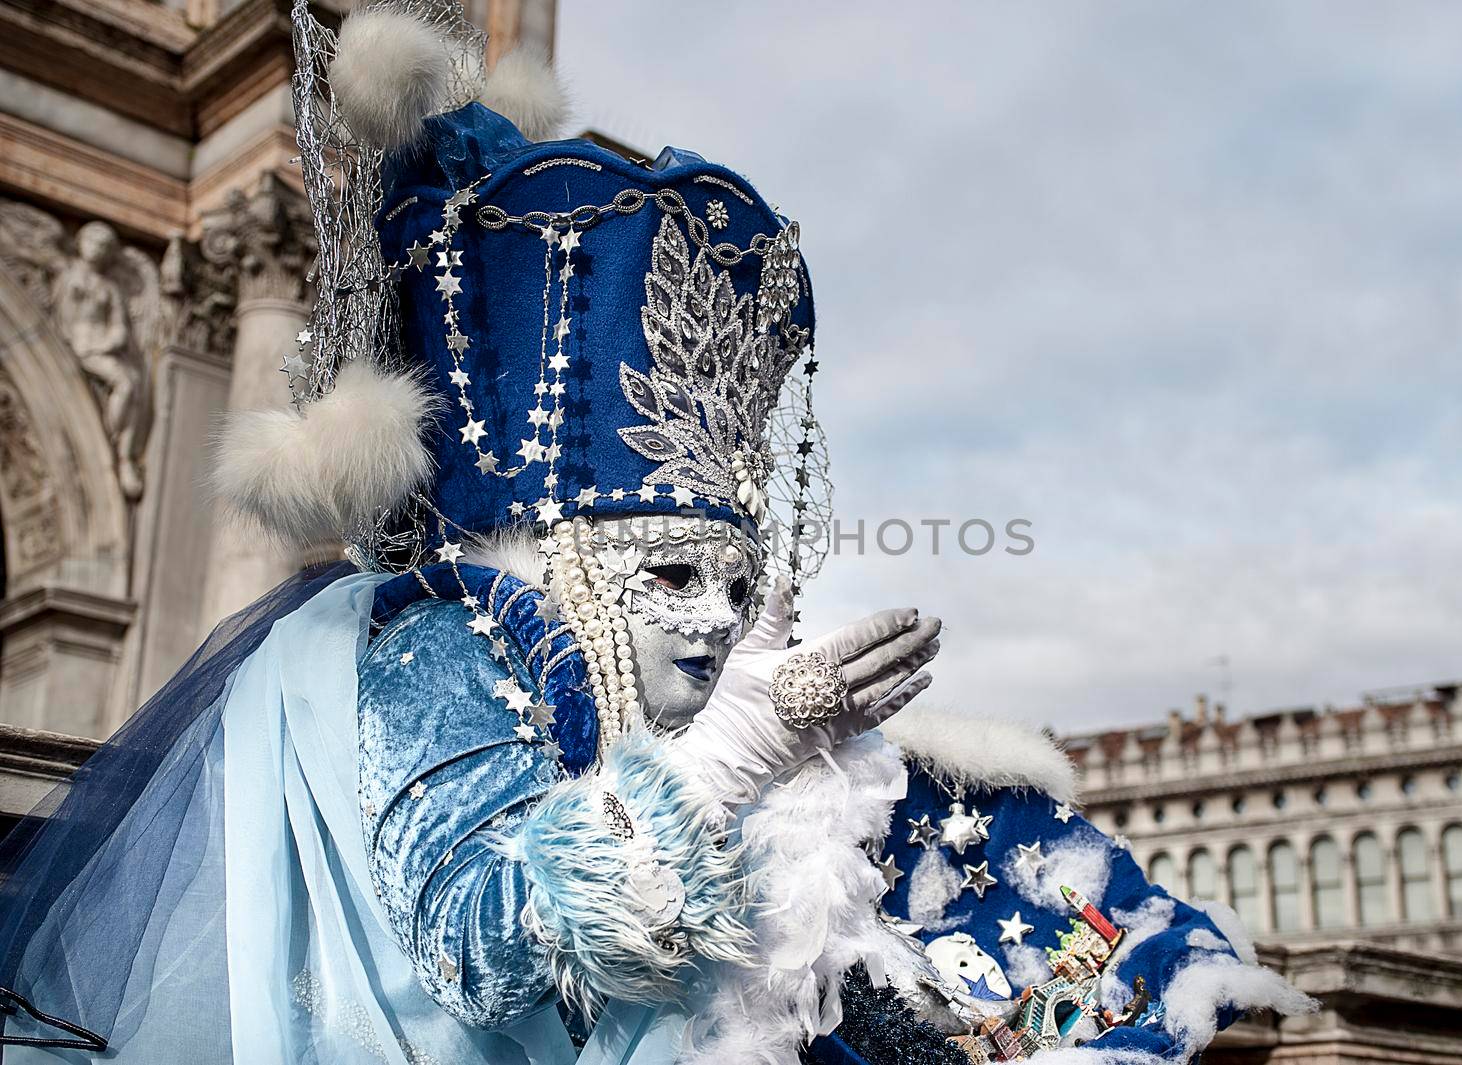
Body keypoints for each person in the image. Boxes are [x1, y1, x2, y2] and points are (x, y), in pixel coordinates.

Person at [0, 4, 1309, 1062]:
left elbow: (850, 974)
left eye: (736, 583)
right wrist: (733, 757)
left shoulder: (685, 715)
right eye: (671, 573)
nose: (713, 617)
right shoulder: (441, 654)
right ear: (566, 565)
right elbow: (476, 942)